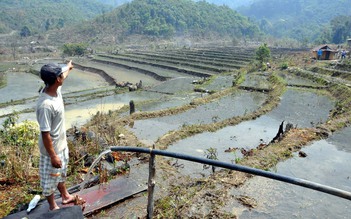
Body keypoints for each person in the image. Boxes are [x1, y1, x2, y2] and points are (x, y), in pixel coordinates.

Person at [36, 60, 84, 211]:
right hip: (51, 151)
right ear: (57, 79)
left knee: (60, 174)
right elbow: (45, 134)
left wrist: (68, 67)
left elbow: (63, 73)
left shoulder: (55, 89)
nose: (63, 75)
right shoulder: (46, 105)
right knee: (49, 179)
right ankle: (52, 206)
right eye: (61, 74)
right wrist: (53, 156)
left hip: (61, 145)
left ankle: (65, 196)